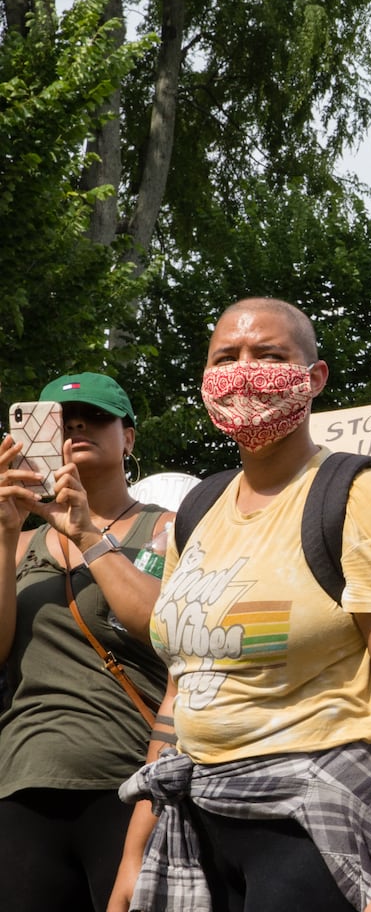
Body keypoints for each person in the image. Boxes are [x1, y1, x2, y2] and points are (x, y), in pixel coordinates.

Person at [111, 297, 371, 912]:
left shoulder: (365, 498)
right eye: (226, 357)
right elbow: (183, 687)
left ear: (315, 377)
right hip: (200, 826)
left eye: (269, 355)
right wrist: (134, 853)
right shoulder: (201, 509)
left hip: (315, 831)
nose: (245, 372)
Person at [0, 373, 172, 912]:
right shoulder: (19, 537)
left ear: (129, 438)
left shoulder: (170, 528)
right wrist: (5, 534)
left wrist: (89, 538)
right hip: (24, 779)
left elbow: (164, 629)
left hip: (130, 783)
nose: (76, 427)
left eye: (95, 417)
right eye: (60, 420)